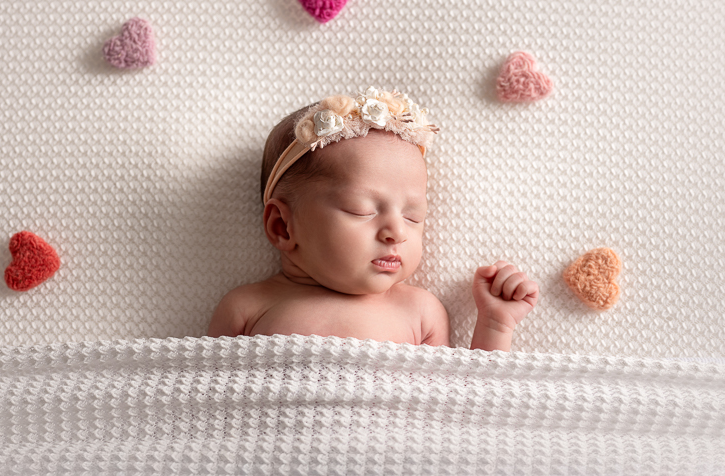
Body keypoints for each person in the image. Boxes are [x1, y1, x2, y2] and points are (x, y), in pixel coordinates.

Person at [207, 88, 538, 351]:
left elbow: (463, 410)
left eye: (413, 215)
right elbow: (200, 409)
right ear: (282, 226)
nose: (396, 232)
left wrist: (496, 325)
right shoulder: (247, 308)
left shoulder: (420, 312)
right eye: (361, 210)